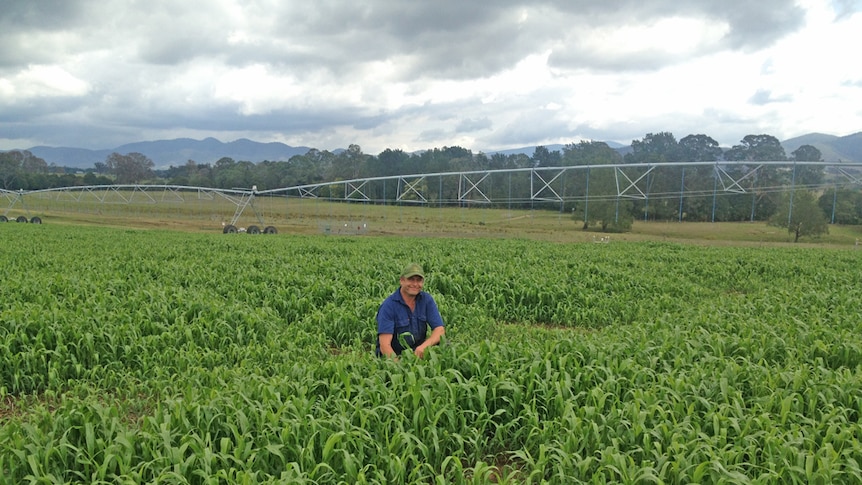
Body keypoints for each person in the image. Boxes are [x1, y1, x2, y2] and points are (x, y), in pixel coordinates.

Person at [376, 263, 445, 358]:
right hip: (396, 354)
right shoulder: (389, 306)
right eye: (411, 280)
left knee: (445, 345)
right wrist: (399, 367)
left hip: (418, 351)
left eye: (419, 280)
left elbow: (440, 330)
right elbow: (385, 345)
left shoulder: (426, 300)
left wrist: (423, 347)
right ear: (402, 281)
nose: (415, 284)